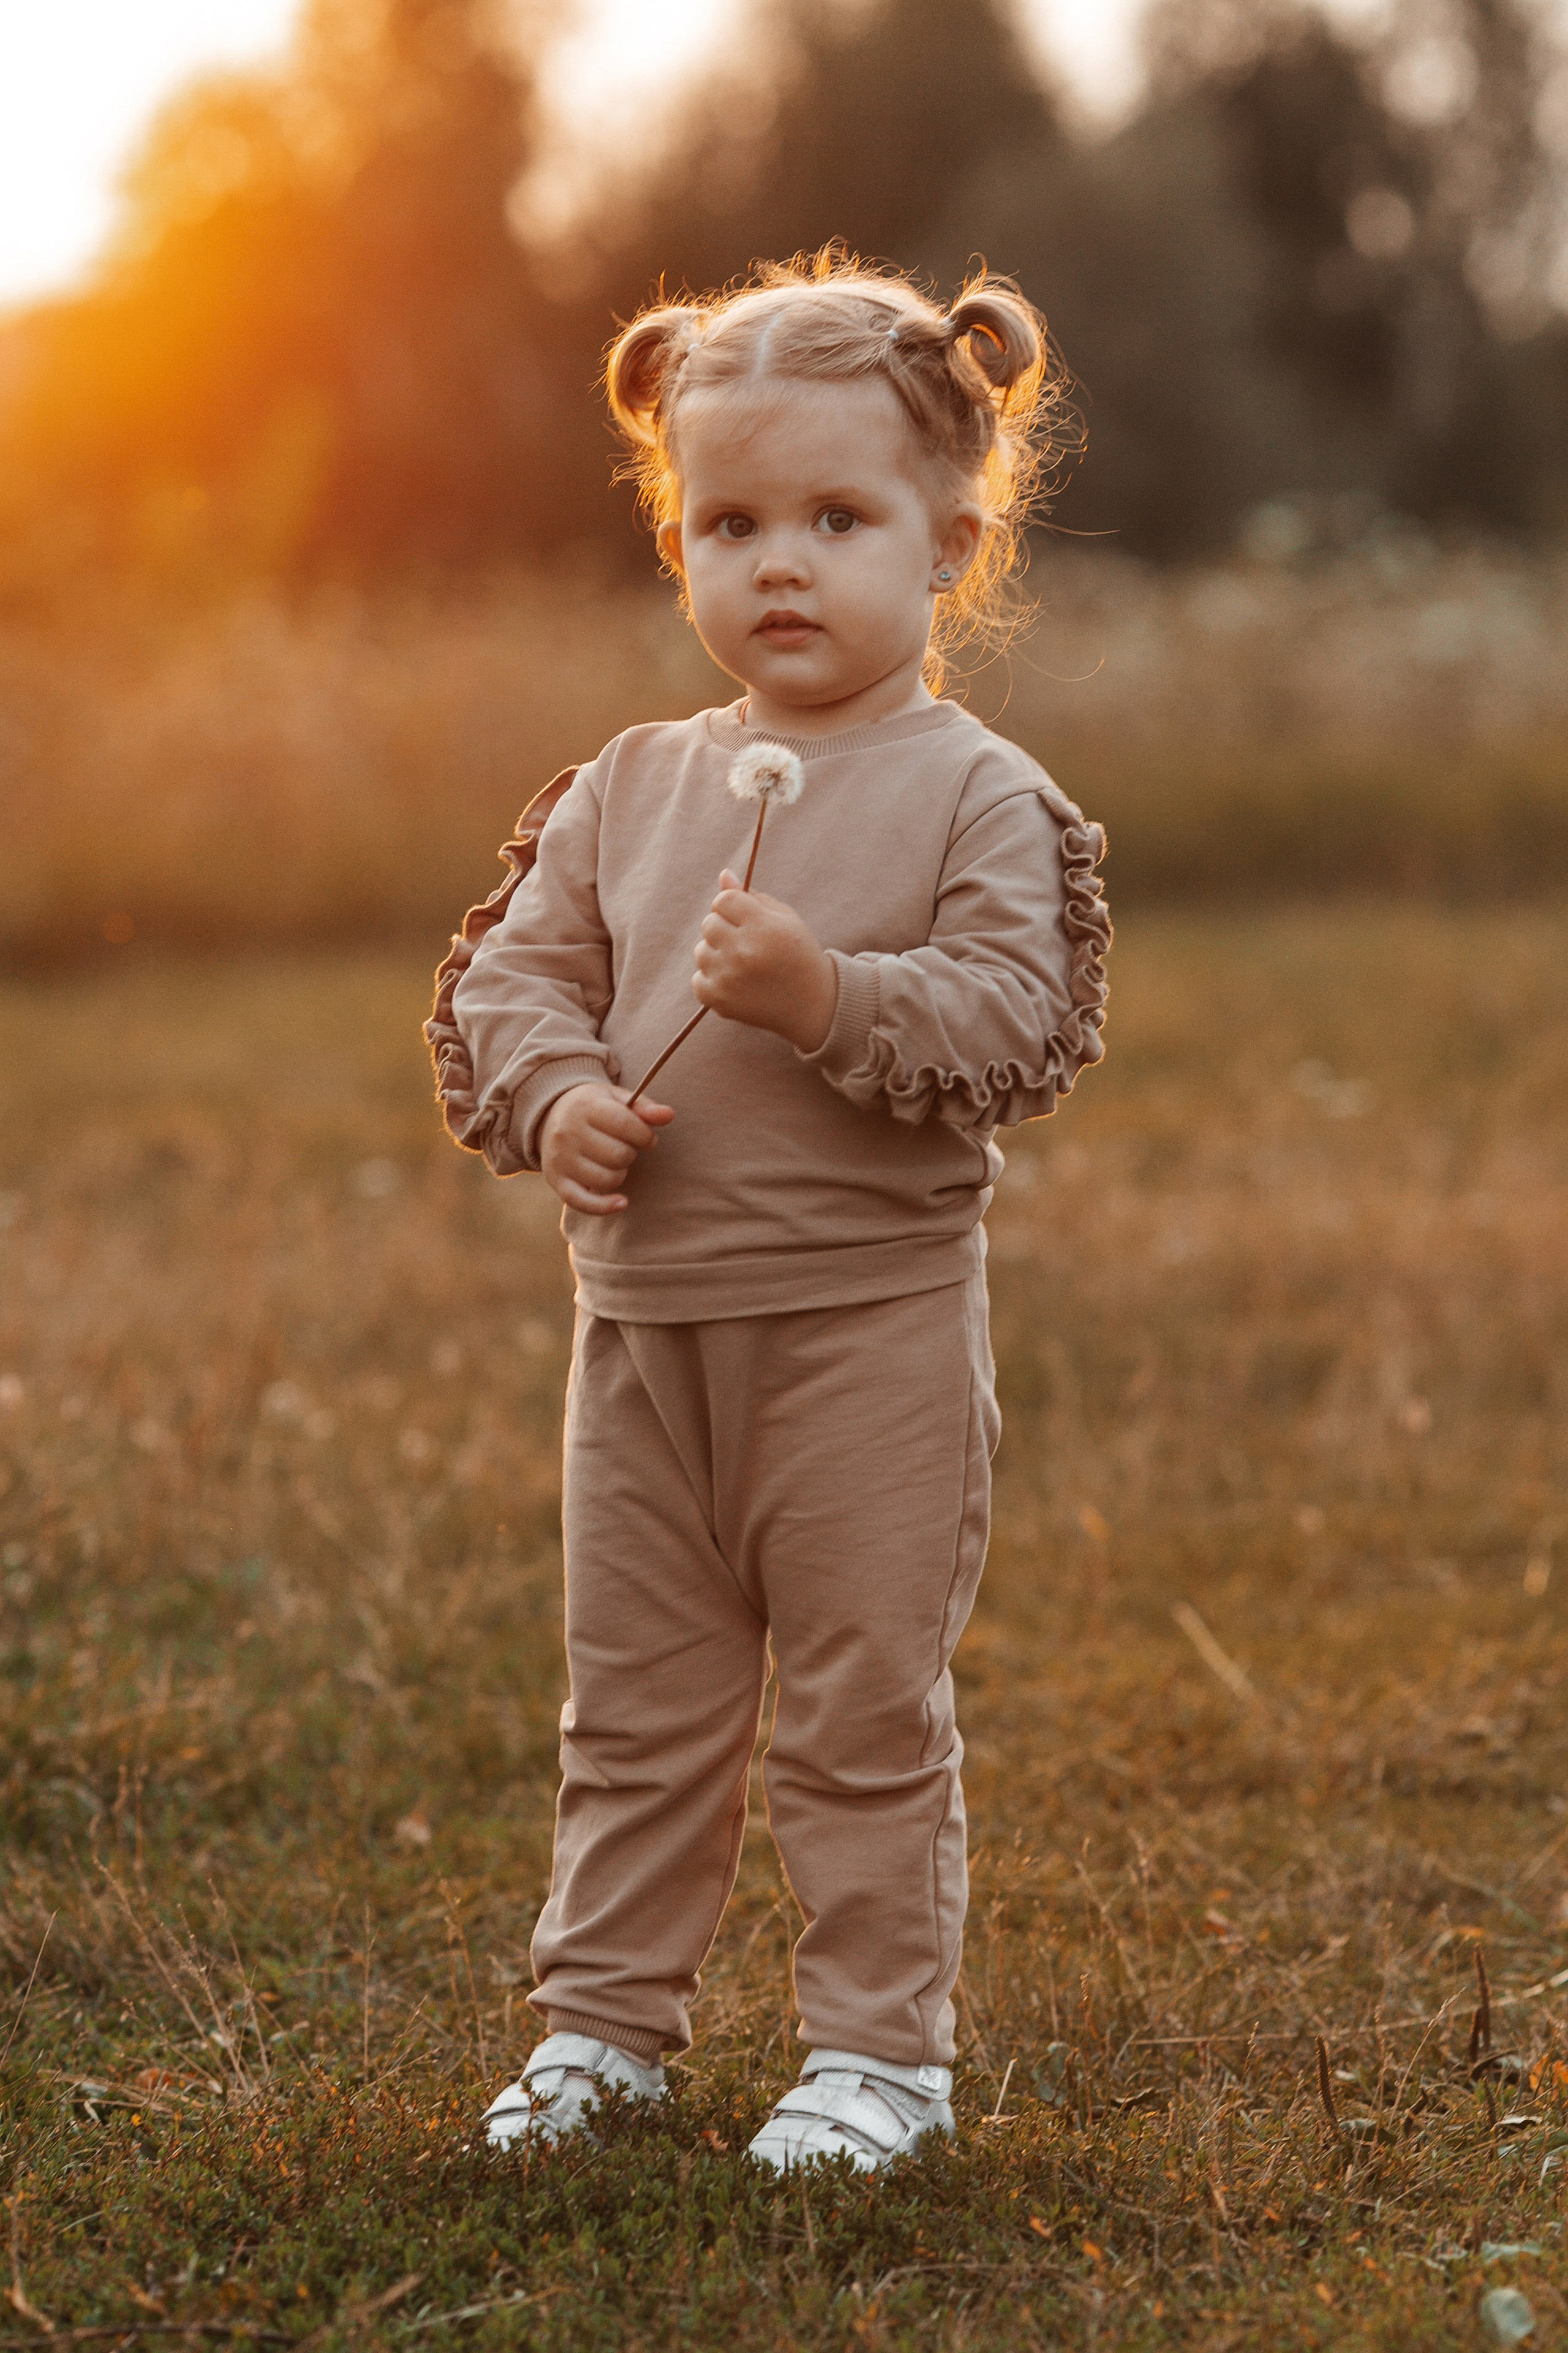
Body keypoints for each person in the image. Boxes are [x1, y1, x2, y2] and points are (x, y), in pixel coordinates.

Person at [432, 250, 1110, 2174]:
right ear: (678, 546)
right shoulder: (625, 787)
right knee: (637, 1709)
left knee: (860, 1708)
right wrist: (556, 1093)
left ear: (951, 542)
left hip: (866, 1337)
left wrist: (830, 995)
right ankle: (602, 2032)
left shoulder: (976, 793)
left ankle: (880, 2057)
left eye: (836, 519)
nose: (780, 564)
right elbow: (513, 979)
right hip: (644, 1343)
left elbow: (1019, 1017)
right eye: (731, 524)